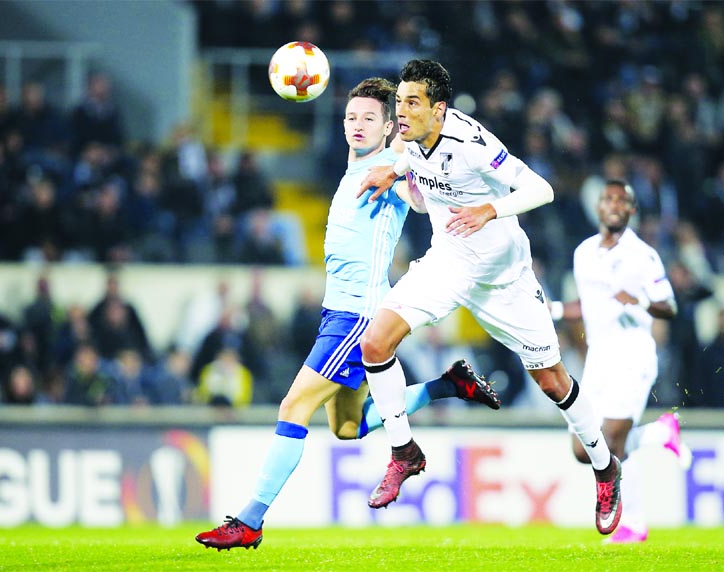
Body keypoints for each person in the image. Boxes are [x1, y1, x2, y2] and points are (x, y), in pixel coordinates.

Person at [195, 77, 500, 551]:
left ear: (387, 129)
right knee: (347, 428)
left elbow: (418, 200)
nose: (357, 125)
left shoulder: (390, 168)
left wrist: (407, 169)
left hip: (357, 317)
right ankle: (450, 384)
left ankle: (249, 521)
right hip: (336, 313)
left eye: (369, 119)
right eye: (351, 118)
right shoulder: (354, 165)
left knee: (293, 407)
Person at [356, 60, 621, 535]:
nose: (401, 111)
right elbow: (410, 159)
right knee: (375, 344)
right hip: (448, 262)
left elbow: (542, 189)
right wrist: (391, 175)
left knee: (553, 383)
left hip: (505, 278)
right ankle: (404, 451)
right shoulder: (409, 138)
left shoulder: (472, 144)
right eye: (398, 102)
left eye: (412, 103)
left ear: (439, 110)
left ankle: (605, 467)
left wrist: (489, 209)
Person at [547, 179, 690, 543]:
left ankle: (633, 523)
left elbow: (669, 305)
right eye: (607, 199)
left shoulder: (644, 256)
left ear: (631, 210)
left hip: (633, 351)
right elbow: (589, 304)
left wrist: (638, 301)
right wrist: (555, 309)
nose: (613, 205)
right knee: (584, 449)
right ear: (598, 207)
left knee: (611, 442)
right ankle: (661, 432)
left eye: (621, 200)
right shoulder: (583, 253)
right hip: (599, 356)